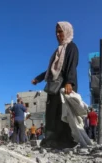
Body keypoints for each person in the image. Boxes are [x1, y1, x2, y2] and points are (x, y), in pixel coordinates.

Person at [31, 21, 79, 149]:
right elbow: (51, 70)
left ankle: (66, 141)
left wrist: (70, 82)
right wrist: (39, 78)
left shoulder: (71, 47)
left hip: (65, 86)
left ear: (67, 31)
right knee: (52, 114)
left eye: (60, 31)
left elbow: (71, 66)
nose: (58, 34)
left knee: (64, 114)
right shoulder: (58, 51)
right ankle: (51, 140)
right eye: (56, 32)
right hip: (54, 88)